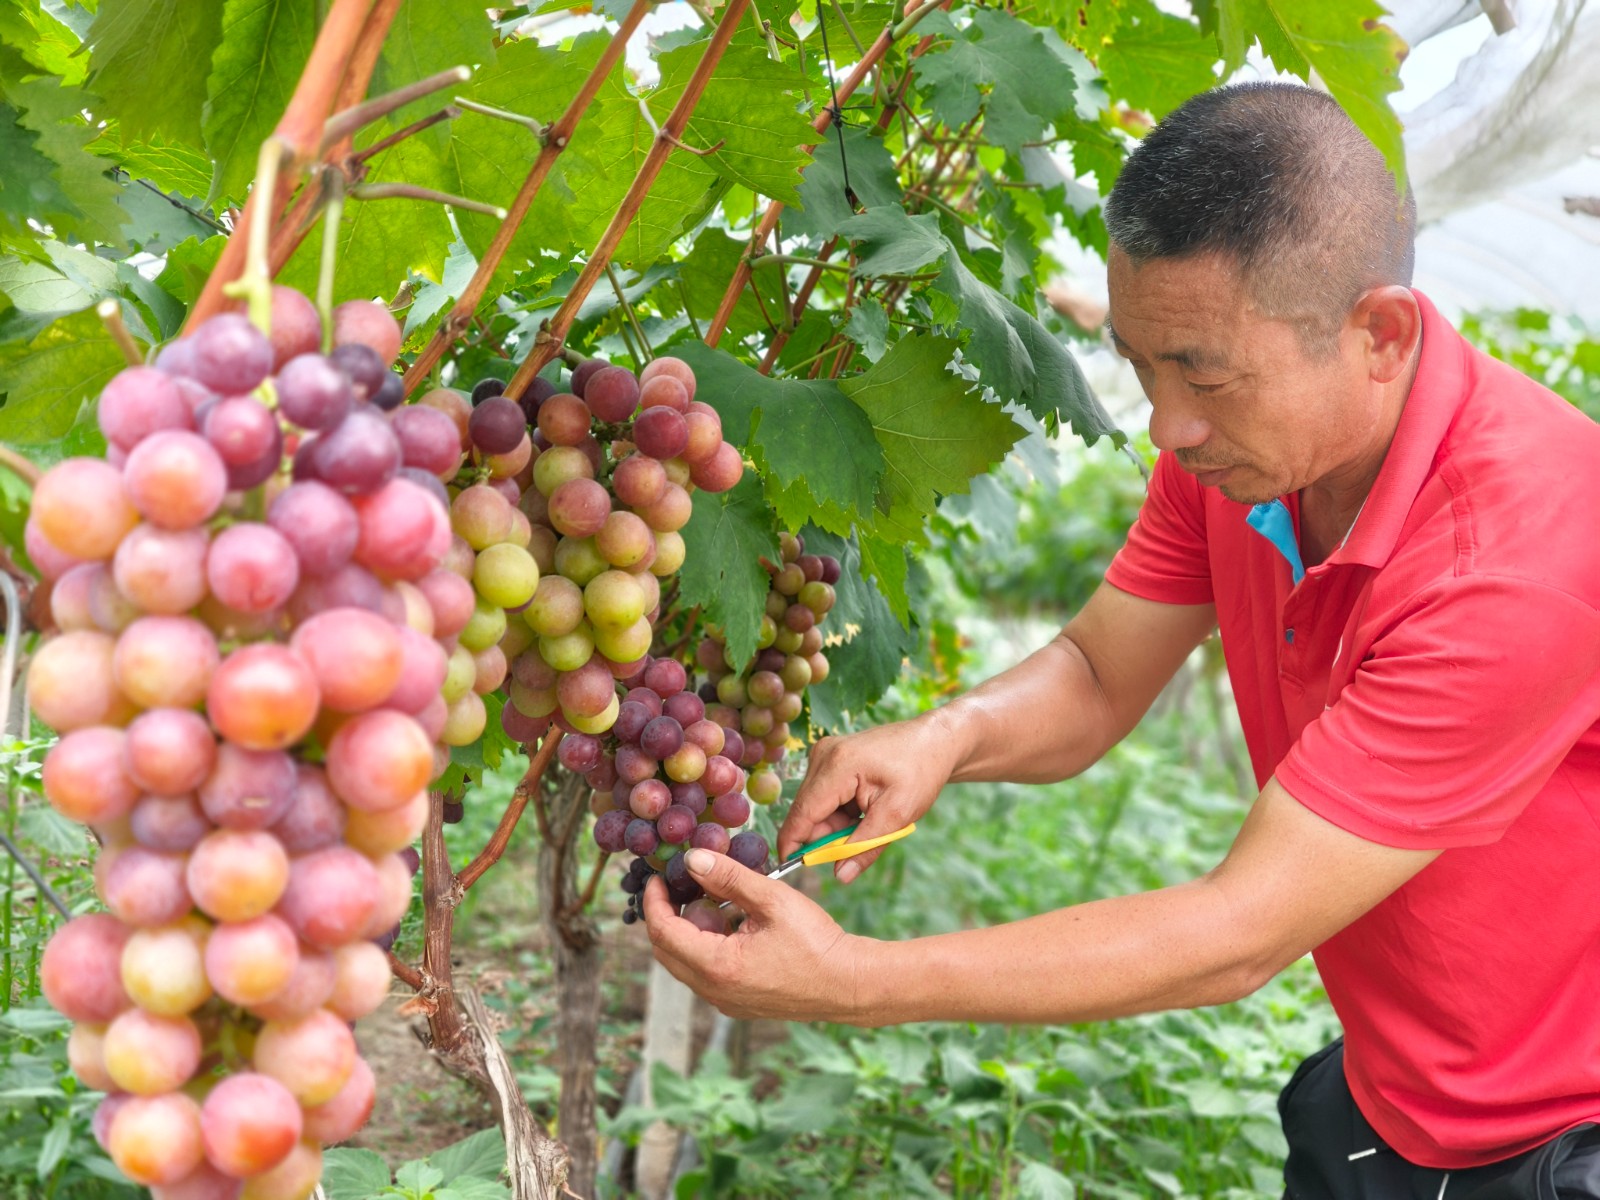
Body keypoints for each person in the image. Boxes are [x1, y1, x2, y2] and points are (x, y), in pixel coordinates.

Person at [643, 81, 1600, 1198]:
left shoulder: (1517, 562)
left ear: (1378, 335)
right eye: (1143, 366)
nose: (1167, 425)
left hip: (1558, 1132)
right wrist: (949, 736)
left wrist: (852, 980)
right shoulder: (1239, 456)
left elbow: (1238, 933)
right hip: (1393, 1092)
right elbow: (1099, 673)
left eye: (1204, 373)